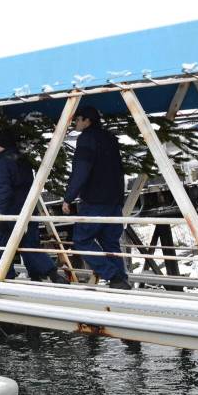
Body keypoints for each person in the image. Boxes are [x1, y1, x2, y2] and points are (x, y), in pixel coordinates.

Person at [62, 105, 131, 289]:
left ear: (87, 121)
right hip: (114, 199)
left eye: (78, 119)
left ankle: (113, 275)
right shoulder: (109, 138)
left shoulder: (86, 139)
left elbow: (81, 171)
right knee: (110, 242)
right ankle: (121, 281)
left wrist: (69, 197)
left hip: (95, 200)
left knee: (82, 240)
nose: (75, 122)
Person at [0, 131, 67, 284]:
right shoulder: (23, 160)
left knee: (2, 244)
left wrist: (1, 213)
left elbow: (3, 189)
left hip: (11, 209)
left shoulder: (1, 163)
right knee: (30, 244)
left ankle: (5, 276)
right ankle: (45, 273)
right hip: (28, 206)